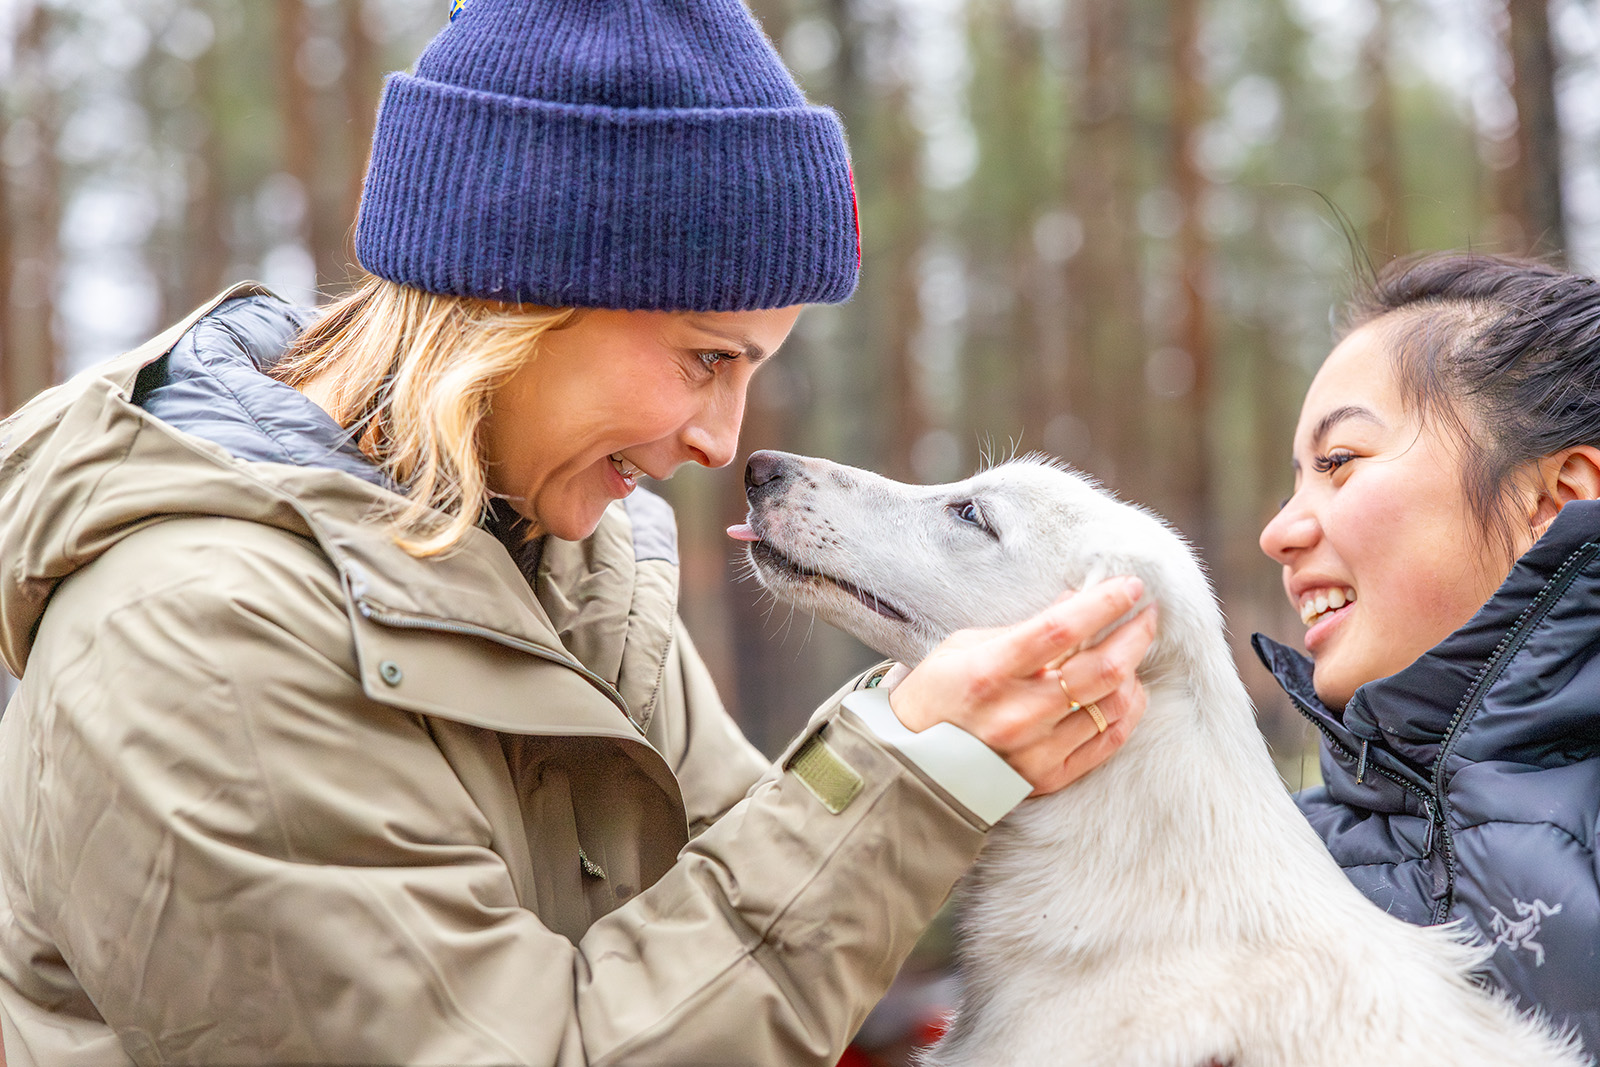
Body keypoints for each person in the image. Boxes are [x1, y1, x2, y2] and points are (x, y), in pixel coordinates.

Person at [0, 2, 1155, 1064]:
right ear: (512, 291)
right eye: (708, 358)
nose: (721, 441)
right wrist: (909, 773)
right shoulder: (201, 640)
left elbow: (765, 951)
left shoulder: (574, 566)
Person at [1256, 251, 1600, 1055]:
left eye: (1339, 462)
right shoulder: (1242, 882)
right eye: (1290, 486)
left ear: (1561, 497)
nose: (1277, 533)